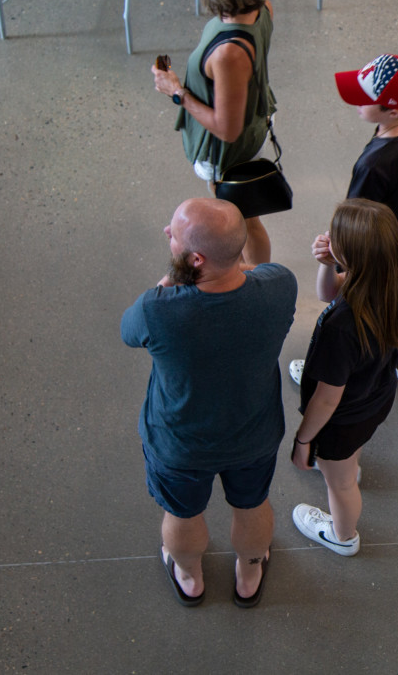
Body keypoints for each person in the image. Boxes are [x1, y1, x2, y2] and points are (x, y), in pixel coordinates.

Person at [121, 198, 297, 608]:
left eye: (174, 235)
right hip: (254, 435)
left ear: (195, 259)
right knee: (252, 505)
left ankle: (189, 577)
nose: (167, 234)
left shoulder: (157, 311)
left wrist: (171, 279)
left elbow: (127, 331)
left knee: (183, 514)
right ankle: (250, 572)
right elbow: (256, 270)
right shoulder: (281, 287)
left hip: (181, 444)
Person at [288, 54, 398, 386]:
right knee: (396, 294)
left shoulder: (374, 168)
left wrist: (337, 254)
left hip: (372, 245)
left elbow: (356, 219)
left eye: (365, 100)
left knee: (356, 309)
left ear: (392, 110)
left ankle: (331, 366)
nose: (356, 104)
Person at [289, 199, 398, 556]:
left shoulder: (341, 327)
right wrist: (330, 266)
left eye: (335, 237)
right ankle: (348, 465)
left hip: (342, 417)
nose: (328, 238)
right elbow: (327, 292)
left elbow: (327, 399)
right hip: (375, 393)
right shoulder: (397, 273)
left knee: (340, 486)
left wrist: (304, 441)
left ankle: (342, 536)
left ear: (356, 258)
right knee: (348, 458)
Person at [151, 0, 279, 266]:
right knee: (246, 215)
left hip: (230, 152)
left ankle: (253, 278)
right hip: (255, 120)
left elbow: (226, 129)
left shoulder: (228, 54)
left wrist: (177, 92)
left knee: (242, 219)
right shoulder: (263, 8)